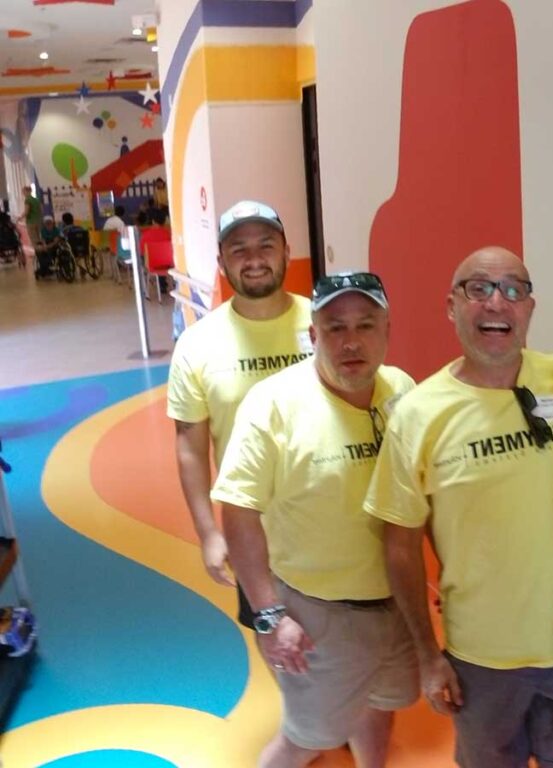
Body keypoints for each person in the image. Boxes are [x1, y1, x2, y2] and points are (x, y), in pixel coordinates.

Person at [365, 247, 553, 768]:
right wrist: (430, 657)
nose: (497, 302)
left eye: (514, 289)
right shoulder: (418, 415)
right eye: (478, 288)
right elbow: (400, 546)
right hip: (480, 659)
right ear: (451, 306)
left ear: (530, 308)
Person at [214, 271, 418, 768]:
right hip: (318, 611)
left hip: (395, 602)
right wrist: (267, 613)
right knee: (305, 740)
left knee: (382, 704)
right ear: (313, 336)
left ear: (387, 330)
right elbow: (239, 509)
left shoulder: (402, 391)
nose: (352, 342)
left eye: (366, 325)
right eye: (335, 328)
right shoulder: (273, 404)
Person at [166, 200, 312, 632]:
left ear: (286, 251)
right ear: (222, 263)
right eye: (239, 249)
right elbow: (190, 447)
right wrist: (209, 531)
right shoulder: (197, 345)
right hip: (254, 535)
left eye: (265, 245)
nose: (253, 260)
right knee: (282, 651)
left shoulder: (324, 323)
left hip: (335, 522)